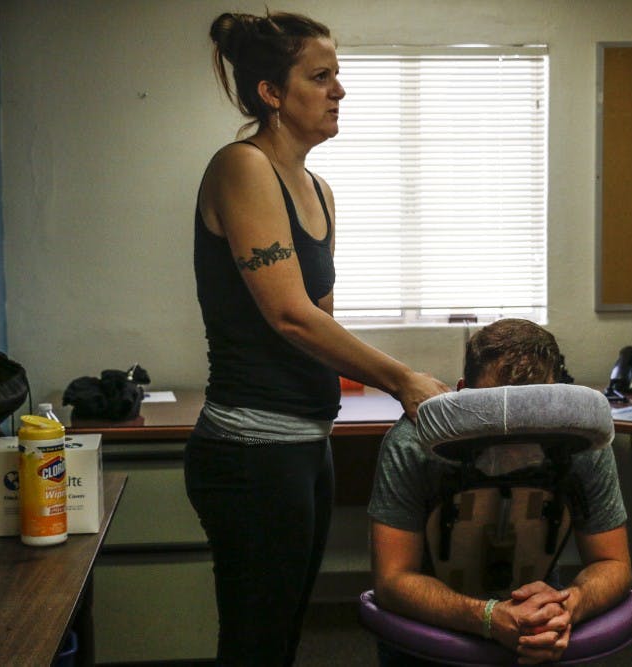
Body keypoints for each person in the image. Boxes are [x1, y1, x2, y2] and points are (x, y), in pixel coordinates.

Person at [183, 10, 449, 666]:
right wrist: (402, 380)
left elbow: (318, 324)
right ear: (271, 92)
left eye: (338, 75)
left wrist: (387, 381)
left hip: (306, 442)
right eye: (321, 76)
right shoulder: (242, 167)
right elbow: (290, 316)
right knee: (255, 644)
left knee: (283, 636)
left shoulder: (319, 190)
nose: (340, 90)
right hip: (250, 449)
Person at [368, 318, 632, 665]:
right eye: (492, 413)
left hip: (536, 613)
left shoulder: (582, 445)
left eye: (532, 413)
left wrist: (568, 606)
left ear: (557, 396)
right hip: (432, 627)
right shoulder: (415, 444)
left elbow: (612, 563)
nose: (512, 436)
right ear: (463, 392)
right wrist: (488, 617)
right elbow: (392, 580)